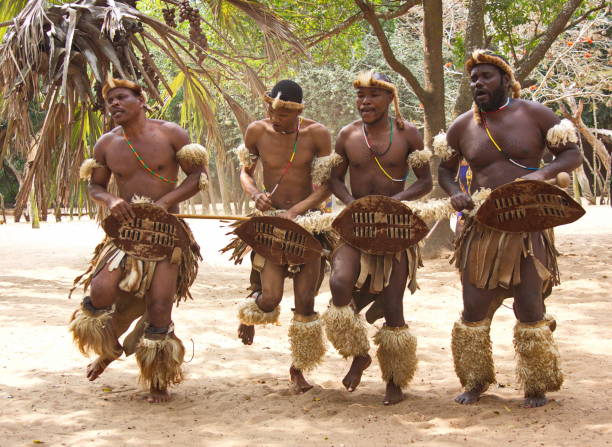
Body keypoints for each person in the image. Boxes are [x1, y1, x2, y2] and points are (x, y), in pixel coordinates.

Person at [437, 50, 582, 408]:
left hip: (528, 223)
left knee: (530, 305)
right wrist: (457, 192)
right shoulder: (462, 126)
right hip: (482, 226)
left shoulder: (534, 114)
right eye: (473, 79)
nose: (478, 84)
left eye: (486, 76)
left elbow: (572, 155)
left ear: (505, 80)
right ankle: (475, 381)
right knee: (473, 307)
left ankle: (536, 384)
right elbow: (442, 169)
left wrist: (542, 174)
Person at [69, 77, 208, 403]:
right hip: (127, 234)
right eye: (109, 101)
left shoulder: (172, 133)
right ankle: (110, 349)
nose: (114, 104)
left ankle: (158, 379)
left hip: (166, 234)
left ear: (141, 99)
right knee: (101, 292)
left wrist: (163, 204)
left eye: (121, 97)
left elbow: (196, 177)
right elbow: (95, 186)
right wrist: (110, 200)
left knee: (159, 307)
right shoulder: (106, 143)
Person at [224, 80, 340, 393]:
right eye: (271, 111)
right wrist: (255, 194)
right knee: (271, 297)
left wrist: (299, 210)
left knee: (306, 300)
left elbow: (329, 184)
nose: (276, 118)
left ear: (298, 111)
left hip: (308, 225)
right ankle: (252, 310)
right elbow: (245, 171)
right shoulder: (256, 132)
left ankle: (298, 369)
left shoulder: (317, 134)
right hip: (271, 224)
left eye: (284, 114)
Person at [325, 71, 433, 405]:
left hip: (394, 230)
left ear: (390, 99)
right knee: (340, 283)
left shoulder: (408, 134)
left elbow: (425, 182)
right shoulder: (347, 135)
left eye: (373, 95)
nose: (365, 102)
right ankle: (359, 353)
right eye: (360, 97)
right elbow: (335, 179)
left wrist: (396, 202)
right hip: (356, 226)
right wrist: (351, 204)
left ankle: (395, 381)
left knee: (395, 306)